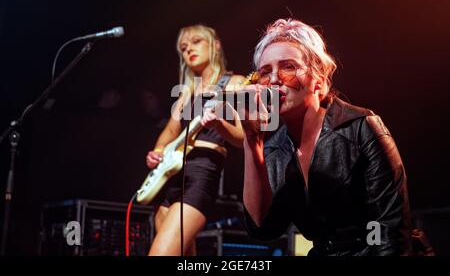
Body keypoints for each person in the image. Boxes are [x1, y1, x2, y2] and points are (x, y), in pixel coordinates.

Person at [240, 18, 413, 256]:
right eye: (265, 71)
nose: (274, 79)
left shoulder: (361, 128)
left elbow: (391, 232)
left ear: (318, 80)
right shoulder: (274, 149)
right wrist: (252, 141)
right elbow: (264, 229)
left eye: (288, 67)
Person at [145, 24, 245, 256]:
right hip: (172, 178)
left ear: (216, 45)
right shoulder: (185, 93)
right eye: (183, 47)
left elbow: (243, 139)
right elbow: (169, 133)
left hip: (201, 173)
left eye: (196, 41)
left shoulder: (236, 83)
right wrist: (157, 152)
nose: (189, 49)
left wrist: (219, 124)